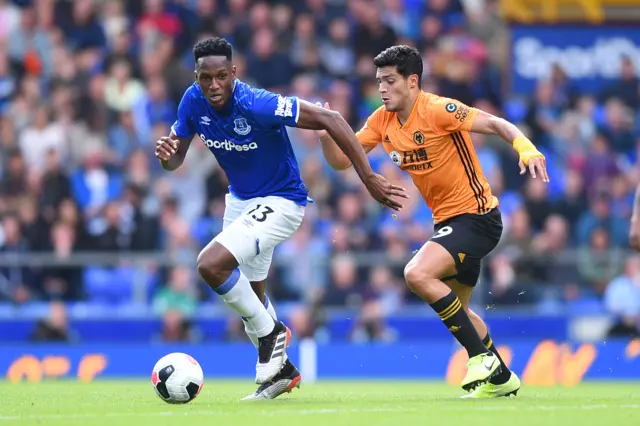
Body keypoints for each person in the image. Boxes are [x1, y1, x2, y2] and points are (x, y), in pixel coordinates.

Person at [154, 37, 406, 401]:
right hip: (241, 203)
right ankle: (281, 372)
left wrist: (367, 177)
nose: (213, 85)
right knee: (251, 299)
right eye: (205, 78)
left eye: (221, 76)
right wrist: (166, 156)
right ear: (196, 76)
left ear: (234, 73)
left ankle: (273, 333)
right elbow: (174, 159)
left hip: (283, 201)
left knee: (210, 266)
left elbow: (331, 118)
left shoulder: (256, 103)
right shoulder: (192, 102)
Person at [316, 45, 549, 398]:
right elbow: (341, 162)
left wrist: (525, 146)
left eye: (389, 80)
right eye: (379, 80)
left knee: (416, 273)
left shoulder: (439, 109)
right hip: (448, 225)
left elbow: (496, 123)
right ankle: (501, 377)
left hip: (478, 217)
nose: (381, 88)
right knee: (462, 313)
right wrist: (324, 133)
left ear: (412, 82)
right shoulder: (382, 120)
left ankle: (478, 358)